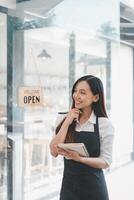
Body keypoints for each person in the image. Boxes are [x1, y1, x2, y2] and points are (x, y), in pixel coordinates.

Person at [50, 75, 114, 200]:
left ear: (95, 97)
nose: (76, 96)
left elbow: (106, 162)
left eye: (82, 92)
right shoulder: (63, 118)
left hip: (94, 189)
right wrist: (67, 121)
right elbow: (53, 151)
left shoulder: (104, 124)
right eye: (75, 91)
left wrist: (80, 159)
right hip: (69, 189)